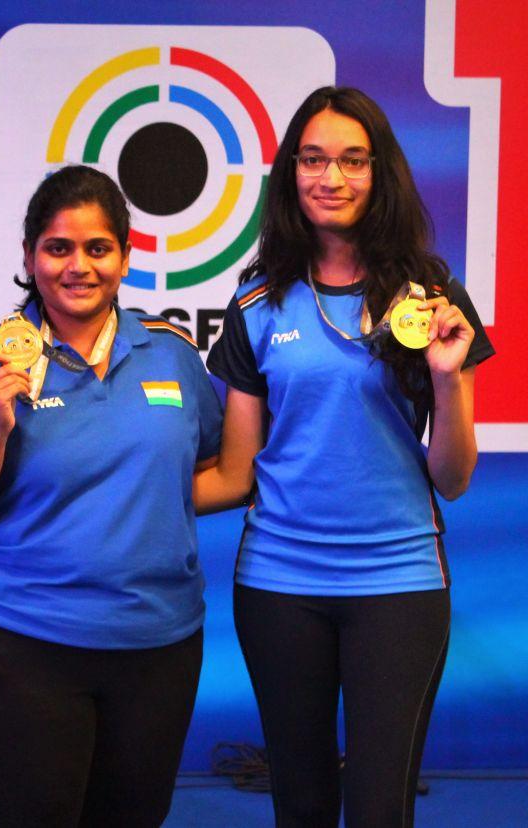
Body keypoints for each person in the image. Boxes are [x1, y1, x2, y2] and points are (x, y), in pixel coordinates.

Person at [196, 87, 495, 827]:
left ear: (379, 171)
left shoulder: (430, 296)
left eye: (352, 161)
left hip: (398, 582)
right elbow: (236, 470)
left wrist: (448, 377)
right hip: (278, 585)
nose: (332, 178)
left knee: (378, 809)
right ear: (291, 173)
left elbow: (452, 480)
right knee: (300, 805)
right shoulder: (257, 302)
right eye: (314, 159)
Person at [0, 165, 222, 827]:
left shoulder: (172, 355)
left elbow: (210, 468)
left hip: (157, 642)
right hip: (13, 639)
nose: (78, 266)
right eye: (58, 248)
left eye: (97, 248)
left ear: (126, 255)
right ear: (29, 257)